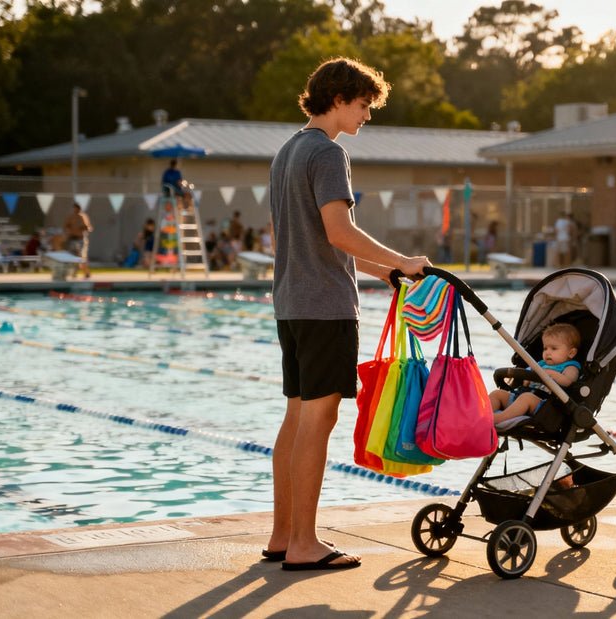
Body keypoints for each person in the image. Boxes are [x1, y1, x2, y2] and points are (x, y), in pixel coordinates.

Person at [266, 57, 429, 571]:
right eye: (363, 106)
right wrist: (401, 259)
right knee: (319, 420)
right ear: (338, 99)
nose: (366, 116)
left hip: (292, 304)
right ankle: (305, 544)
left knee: (296, 416)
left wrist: (382, 272)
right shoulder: (329, 154)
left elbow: (315, 238)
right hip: (326, 307)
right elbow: (337, 231)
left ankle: (282, 535)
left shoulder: (288, 152)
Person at [489, 323, 581, 427]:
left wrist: (549, 373)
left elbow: (569, 382)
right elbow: (527, 377)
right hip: (521, 397)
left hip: (544, 405)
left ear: (571, 353)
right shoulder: (541, 364)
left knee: (527, 397)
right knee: (498, 394)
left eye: (554, 348)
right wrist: (526, 378)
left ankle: (498, 418)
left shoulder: (570, 367)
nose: (548, 352)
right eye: (545, 348)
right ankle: (483, 415)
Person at [63, 203, 92, 278]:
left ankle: (86, 272)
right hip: (72, 238)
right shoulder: (70, 217)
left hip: (80, 239)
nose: (76, 210)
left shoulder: (83, 217)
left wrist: (84, 227)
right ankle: (74, 273)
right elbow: (66, 226)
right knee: (73, 257)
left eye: (77, 209)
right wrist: (68, 233)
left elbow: (89, 228)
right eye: (75, 209)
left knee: (81, 256)